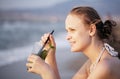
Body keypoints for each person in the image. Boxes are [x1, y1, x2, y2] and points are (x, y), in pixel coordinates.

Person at [26, 6, 120, 79]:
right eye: (67, 31)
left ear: (91, 30)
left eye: (72, 30)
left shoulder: (104, 67)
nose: (67, 37)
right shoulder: (93, 62)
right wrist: (51, 55)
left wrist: (46, 72)